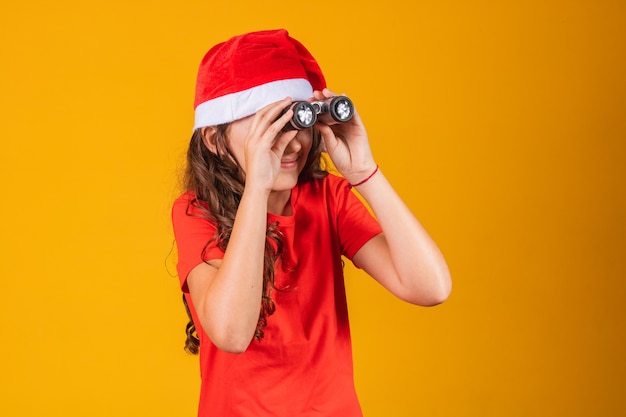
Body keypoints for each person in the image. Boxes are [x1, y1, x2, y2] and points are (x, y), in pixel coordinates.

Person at [171, 28, 451, 417]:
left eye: (297, 122)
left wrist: (364, 172)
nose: (292, 142)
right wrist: (258, 189)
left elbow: (430, 287)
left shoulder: (327, 199)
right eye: (269, 125)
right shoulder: (196, 211)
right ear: (215, 140)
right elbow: (231, 333)